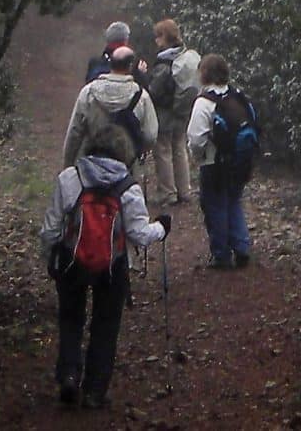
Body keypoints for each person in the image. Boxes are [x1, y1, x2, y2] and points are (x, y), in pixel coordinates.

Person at [37, 152, 163, 408]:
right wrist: (162, 228)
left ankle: (69, 374)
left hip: (72, 261)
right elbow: (139, 235)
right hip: (113, 265)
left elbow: (50, 229)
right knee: (106, 324)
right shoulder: (128, 187)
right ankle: (95, 390)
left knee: (70, 318)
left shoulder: (69, 178)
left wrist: (50, 258)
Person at [186, 53, 257, 269]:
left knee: (215, 206)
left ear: (204, 74)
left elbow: (196, 138)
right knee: (233, 202)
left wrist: (196, 156)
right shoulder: (238, 96)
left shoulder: (204, 102)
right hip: (240, 162)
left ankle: (221, 254)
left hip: (213, 163)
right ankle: (242, 247)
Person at [62, 44, 157, 170]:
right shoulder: (141, 96)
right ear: (130, 66)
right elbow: (150, 135)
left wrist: (68, 164)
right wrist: (139, 150)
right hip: (127, 166)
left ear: (110, 64)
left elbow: (75, 131)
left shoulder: (89, 92)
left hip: (92, 163)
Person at [144, 19, 200, 211]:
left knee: (163, 150)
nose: (156, 41)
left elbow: (154, 91)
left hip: (165, 113)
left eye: (157, 37)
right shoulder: (184, 55)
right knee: (179, 148)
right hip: (182, 111)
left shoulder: (164, 62)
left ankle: (168, 192)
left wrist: (143, 77)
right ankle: (185, 190)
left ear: (164, 38)